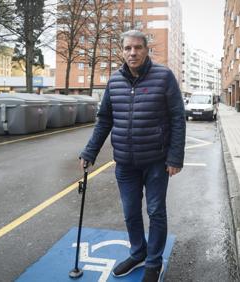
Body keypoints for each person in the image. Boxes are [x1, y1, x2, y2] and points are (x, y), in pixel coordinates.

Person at [79, 30, 186, 282]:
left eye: (137, 48)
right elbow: (104, 119)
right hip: (125, 163)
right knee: (130, 212)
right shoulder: (115, 81)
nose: (132, 53)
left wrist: (175, 158)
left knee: (156, 211)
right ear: (122, 51)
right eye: (127, 48)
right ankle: (138, 252)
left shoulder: (164, 77)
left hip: (157, 161)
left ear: (146, 50)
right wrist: (90, 150)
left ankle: (153, 262)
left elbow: (177, 119)